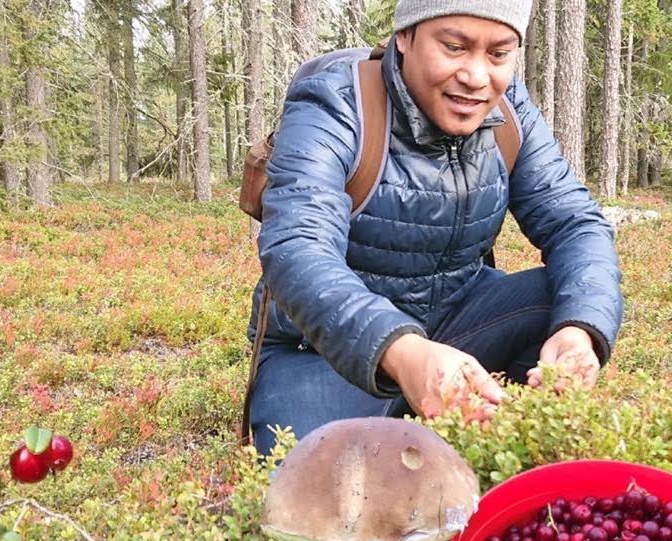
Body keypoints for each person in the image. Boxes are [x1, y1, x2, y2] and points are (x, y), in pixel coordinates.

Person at [247, 0, 623, 455]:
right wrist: (403, 351)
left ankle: (500, 441)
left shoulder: (510, 111)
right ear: (405, 36)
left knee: (571, 296)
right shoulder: (335, 103)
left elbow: (575, 223)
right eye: (454, 47)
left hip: (457, 322)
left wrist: (579, 330)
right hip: (324, 354)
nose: (476, 76)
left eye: (499, 53)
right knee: (312, 473)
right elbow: (298, 247)